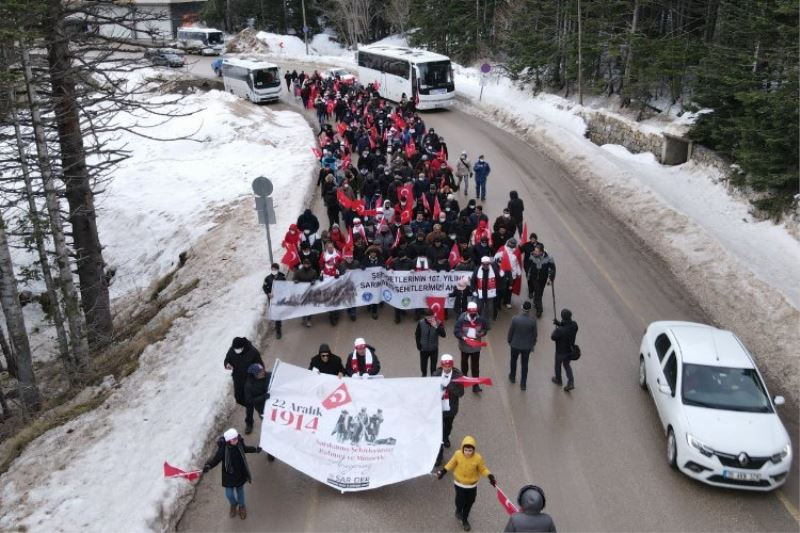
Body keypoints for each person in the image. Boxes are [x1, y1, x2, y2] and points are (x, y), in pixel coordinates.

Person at [435, 435, 496, 532]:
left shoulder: (478, 458)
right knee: (460, 501)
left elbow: (482, 469)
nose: (468, 453)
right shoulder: (457, 454)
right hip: (459, 484)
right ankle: (458, 510)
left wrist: (490, 476)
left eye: (470, 450)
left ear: (473, 450)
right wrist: (442, 472)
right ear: (462, 448)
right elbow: (450, 464)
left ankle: (465, 519)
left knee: (470, 502)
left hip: (472, 486)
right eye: (466, 450)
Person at [202, 428, 261, 520]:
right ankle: (233, 504)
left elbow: (246, 449)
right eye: (234, 439)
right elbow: (216, 459)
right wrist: (209, 465)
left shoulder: (239, 443)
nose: (236, 440)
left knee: (240, 492)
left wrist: (255, 449)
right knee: (229, 494)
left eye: (237, 438)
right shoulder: (223, 449)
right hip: (228, 475)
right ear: (229, 440)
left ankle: (241, 506)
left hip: (240, 473)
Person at [224, 337, 264, 435]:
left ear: (242, 347)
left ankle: (250, 423)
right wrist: (227, 365)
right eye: (235, 349)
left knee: (250, 402)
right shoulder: (232, 350)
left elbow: (260, 366)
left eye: (238, 349)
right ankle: (253, 404)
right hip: (238, 380)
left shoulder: (253, 352)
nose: (236, 350)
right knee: (238, 398)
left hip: (250, 381)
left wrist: (259, 379)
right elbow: (227, 360)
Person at [432, 354, 464, 466]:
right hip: (439, 408)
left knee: (448, 426)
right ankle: (439, 457)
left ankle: (446, 436)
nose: (447, 369)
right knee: (438, 432)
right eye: (445, 367)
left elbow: (461, 393)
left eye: (449, 366)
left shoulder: (458, 376)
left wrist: (449, 386)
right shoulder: (436, 374)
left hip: (450, 408)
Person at [243, 364, 276, 462]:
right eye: (259, 373)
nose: (263, 373)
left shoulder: (269, 375)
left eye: (262, 370)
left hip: (276, 407)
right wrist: (263, 397)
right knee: (269, 431)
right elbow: (249, 401)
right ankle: (271, 451)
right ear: (254, 375)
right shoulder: (249, 386)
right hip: (263, 411)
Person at [454, 302, 488, 393]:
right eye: (471, 313)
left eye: (474, 313)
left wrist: (481, 333)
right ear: (468, 311)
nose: (473, 315)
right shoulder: (461, 320)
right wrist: (463, 337)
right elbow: (456, 331)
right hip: (464, 347)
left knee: (475, 367)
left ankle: (475, 385)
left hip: (476, 347)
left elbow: (485, 329)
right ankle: (464, 381)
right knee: (464, 365)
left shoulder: (481, 320)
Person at [507, 302, 538, 390]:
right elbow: (534, 335)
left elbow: (511, 332)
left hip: (515, 345)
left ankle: (512, 377)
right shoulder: (533, 321)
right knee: (525, 365)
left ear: (522, 308)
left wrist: (509, 341)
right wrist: (533, 344)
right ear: (530, 310)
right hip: (526, 346)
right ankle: (523, 384)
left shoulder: (515, 319)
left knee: (513, 361)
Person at [551, 309, 578, 392]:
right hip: (570, 350)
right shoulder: (574, 325)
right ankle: (571, 382)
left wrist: (558, 327)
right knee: (567, 365)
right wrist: (559, 323)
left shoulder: (560, 330)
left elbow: (553, 337)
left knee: (558, 365)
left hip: (560, 351)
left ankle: (558, 380)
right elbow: (567, 325)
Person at [526, 244, 556, 318]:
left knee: (540, 292)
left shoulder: (549, 258)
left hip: (543, 279)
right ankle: (539, 310)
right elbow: (528, 266)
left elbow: (553, 269)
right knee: (538, 292)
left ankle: (536, 302)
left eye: (537, 251)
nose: (535, 252)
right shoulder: (532, 256)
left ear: (541, 252)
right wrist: (528, 274)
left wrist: (550, 278)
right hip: (534, 277)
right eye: (535, 250)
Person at [415, 308, 447, 376]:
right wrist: (418, 345)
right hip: (423, 349)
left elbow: (443, 335)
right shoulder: (421, 323)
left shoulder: (438, 322)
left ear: (433, 315)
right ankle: (424, 376)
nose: (430, 319)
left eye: (431, 317)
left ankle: (432, 379)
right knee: (423, 367)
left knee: (433, 368)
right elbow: (417, 334)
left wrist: (437, 326)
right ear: (425, 317)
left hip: (434, 349)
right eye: (428, 317)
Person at [262, 263, 285, 339]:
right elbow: (264, 287)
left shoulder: (282, 278)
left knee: (279, 313)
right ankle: (278, 328)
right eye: (272, 269)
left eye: (275, 269)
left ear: (278, 270)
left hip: (280, 299)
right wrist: (268, 293)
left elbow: (286, 287)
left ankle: (278, 328)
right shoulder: (267, 278)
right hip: (272, 300)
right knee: (276, 314)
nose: (273, 270)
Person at [472, 256, 498, 322]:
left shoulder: (494, 270)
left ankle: (486, 322)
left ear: (489, 263)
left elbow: (498, 280)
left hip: (490, 293)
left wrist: (496, 290)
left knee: (488, 308)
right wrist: (474, 290)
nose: (486, 265)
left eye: (487, 264)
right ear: (481, 264)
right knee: (479, 307)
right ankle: (479, 320)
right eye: (484, 264)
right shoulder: (477, 269)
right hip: (480, 292)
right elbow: (473, 281)